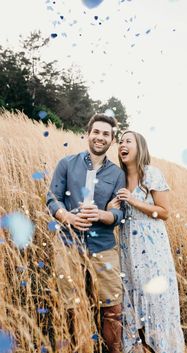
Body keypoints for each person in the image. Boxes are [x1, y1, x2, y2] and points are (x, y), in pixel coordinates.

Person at [46, 113, 126, 353]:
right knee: (72, 306)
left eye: (106, 134)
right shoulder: (67, 163)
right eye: (96, 132)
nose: (100, 138)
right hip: (68, 243)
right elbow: (52, 199)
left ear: (112, 140)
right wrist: (68, 217)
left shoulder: (117, 174)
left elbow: (120, 214)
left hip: (103, 246)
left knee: (112, 307)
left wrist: (103, 215)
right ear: (88, 134)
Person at [110, 130, 185, 353]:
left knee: (155, 300)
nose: (122, 145)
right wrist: (112, 208)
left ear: (140, 147)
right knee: (132, 299)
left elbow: (164, 212)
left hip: (152, 249)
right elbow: (119, 215)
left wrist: (132, 200)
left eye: (128, 141)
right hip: (127, 250)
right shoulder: (119, 179)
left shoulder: (151, 173)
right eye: (120, 142)